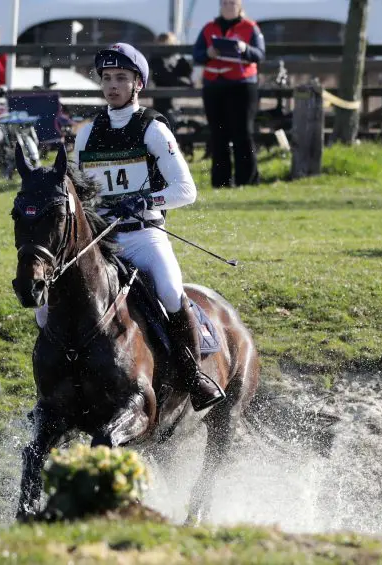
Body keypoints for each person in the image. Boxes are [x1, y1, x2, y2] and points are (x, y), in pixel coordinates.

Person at [34, 43, 226, 411]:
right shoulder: (88, 133)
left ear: (138, 83)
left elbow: (186, 190)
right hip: (100, 241)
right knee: (44, 310)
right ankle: (52, 388)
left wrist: (143, 201)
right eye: (106, 78)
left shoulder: (153, 129)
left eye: (121, 78)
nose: (112, 86)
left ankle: (191, 374)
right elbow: (79, 191)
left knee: (171, 293)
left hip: (142, 236)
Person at [193, 0, 265, 188]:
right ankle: (221, 182)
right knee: (218, 135)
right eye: (224, 3)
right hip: (214, 86)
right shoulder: (209, 27)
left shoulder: (250, 27)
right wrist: (208, 53)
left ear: (239, 6)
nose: (228, 6)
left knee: (243, 133)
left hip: (241, 86)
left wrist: (245, 48)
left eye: (232, 3)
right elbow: (197, 54)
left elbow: (260, 54)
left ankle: (247, 180)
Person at [149, 32, 195, 130]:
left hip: (179, 99)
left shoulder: (179, 59)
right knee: (165, 123)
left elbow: (188, 76)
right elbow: (162, 77)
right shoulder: (156, 59)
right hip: (162, 101)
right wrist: (181, 81)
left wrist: (181, 81)